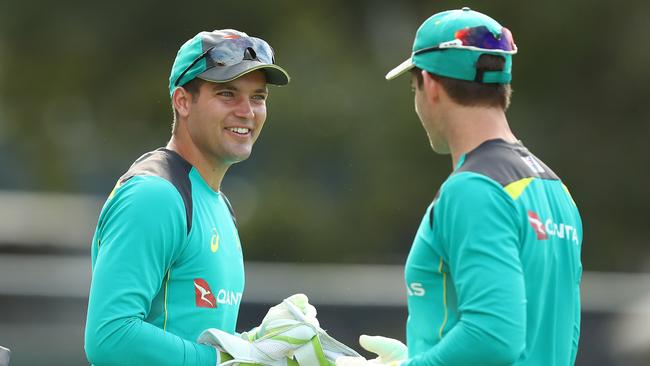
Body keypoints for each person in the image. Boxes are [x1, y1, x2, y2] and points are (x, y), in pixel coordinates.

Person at [337, 7, 583, 366]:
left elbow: (494, 337)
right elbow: (561, 336)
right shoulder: (555, 189)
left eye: (413, 87)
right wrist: (423, 354)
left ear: (431, 85)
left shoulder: (472, 190)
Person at [84, 29, 291, 365]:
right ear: (183, 101)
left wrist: (257, 349)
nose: (247, 111)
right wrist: (226, 361)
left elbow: (192, 335)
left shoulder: (218, 203)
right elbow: (110, 337)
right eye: (227, 94)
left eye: (258, 97)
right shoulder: (155, 195)